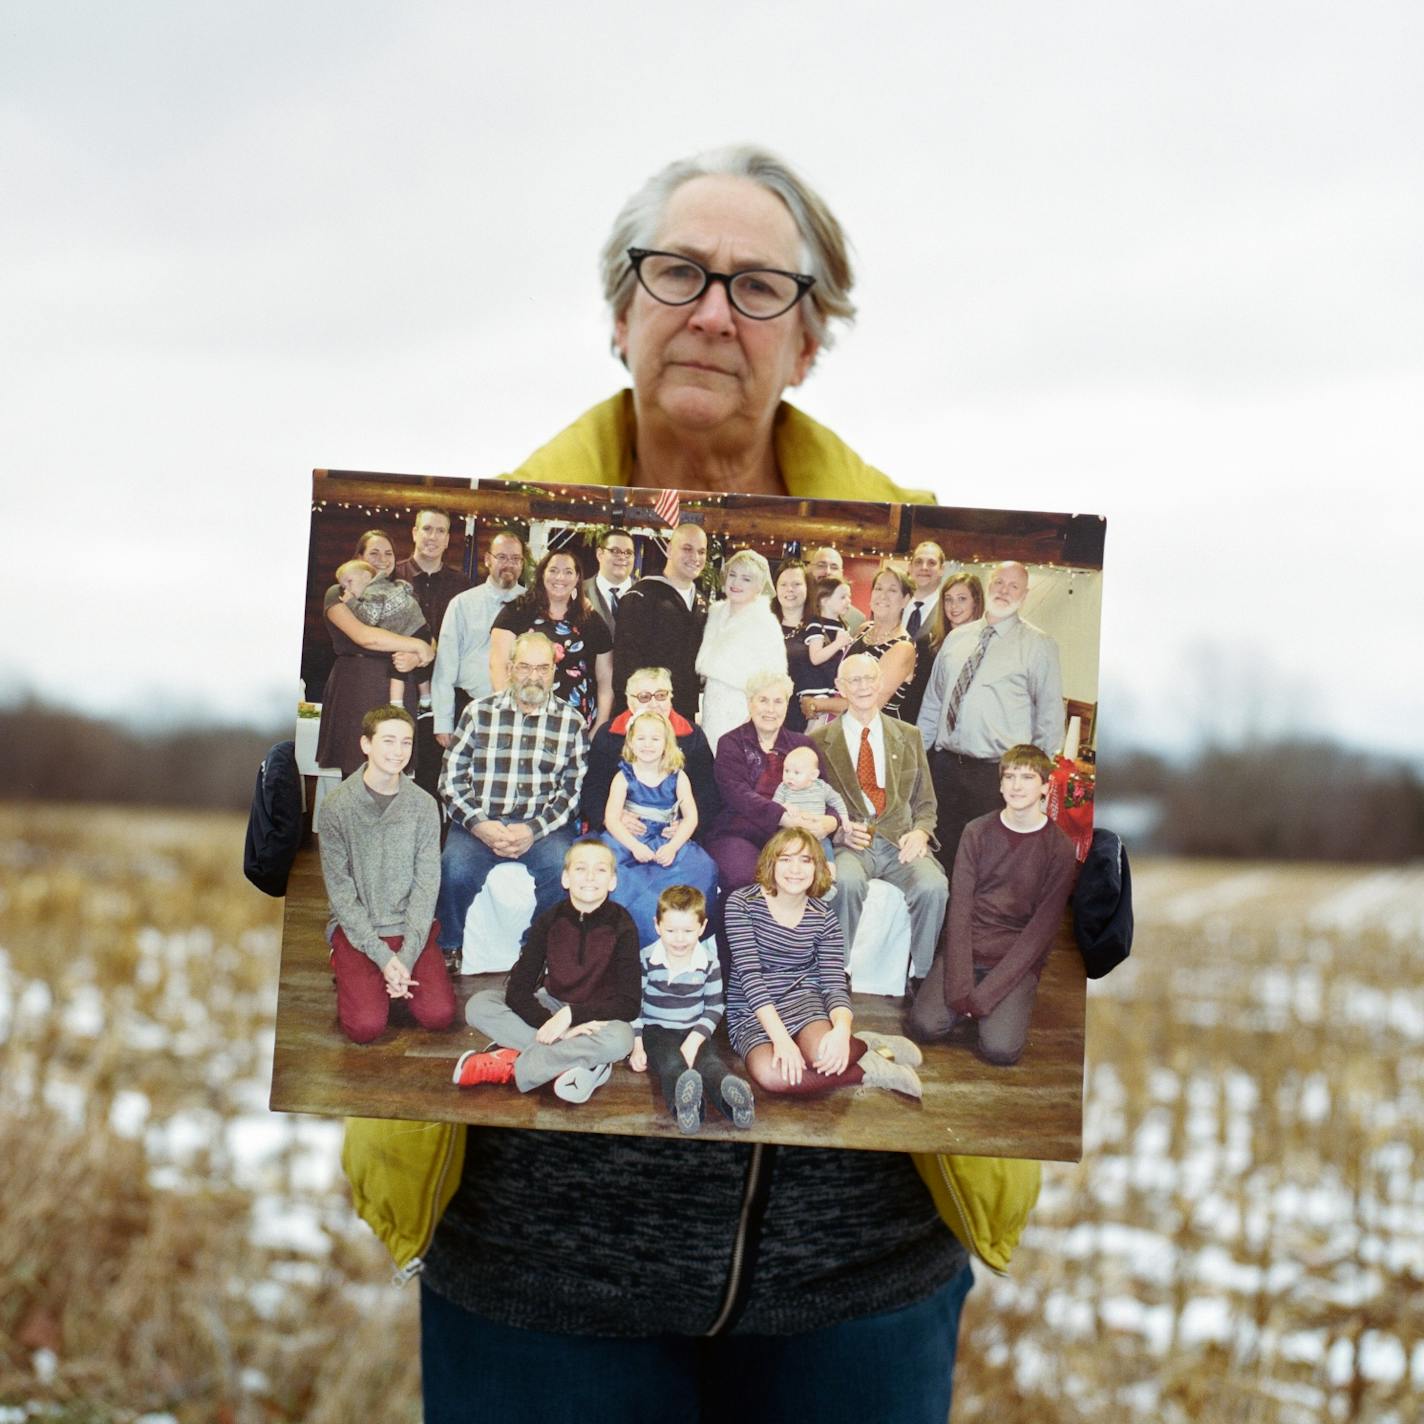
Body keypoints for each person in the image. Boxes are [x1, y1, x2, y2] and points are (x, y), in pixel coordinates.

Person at [349, 148, 1025, 1424]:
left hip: (856, 1275)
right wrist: (339, 805)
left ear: (809, 339)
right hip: (543, 1280)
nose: (714, 310)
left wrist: (1060, 879)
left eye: (759, 285)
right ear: (620, 311)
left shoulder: (918, 567)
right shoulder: (508, 552)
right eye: (678, 273)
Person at [907, 745, 1078, 1066]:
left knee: (1000, 1050)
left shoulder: (1060, 849)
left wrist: (986, 996)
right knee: (924, 1026)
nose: (1016, 786)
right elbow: (959, 912)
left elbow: (1040, 933)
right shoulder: (977, 831)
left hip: (1014, 960)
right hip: (968, 950)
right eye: (1009, 777)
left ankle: (994, 1006)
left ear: (1045, 786)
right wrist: (960, 986)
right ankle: (968, 1006)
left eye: (1027, 778)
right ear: (999, 785)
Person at [722, 828, 922, 1099]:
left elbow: (834, 984)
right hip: (752, 1010)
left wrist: (841, 1030)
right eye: (785, 859)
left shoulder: (824, 916)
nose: (795, 869)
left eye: (806, 860)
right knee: (773, 1077)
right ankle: (870, 1067)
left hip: (803, 1000)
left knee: (823, 1054)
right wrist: (781, 1039)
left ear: (817, 868)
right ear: (771, 863)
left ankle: (859, 1043)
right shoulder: (742, 903)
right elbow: (750, 977)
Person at [434, 631, 586, 961]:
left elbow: (572, 794)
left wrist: (532, 829)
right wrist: (480, 825)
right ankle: (448, 946)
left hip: (541, 828)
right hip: (479, 822)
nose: (534, 676)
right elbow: (450, 781)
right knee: (453, 870)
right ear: (509, 668)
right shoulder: (477, 713)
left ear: (553, 673)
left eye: (543, 668)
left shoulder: (571, 722)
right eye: (525, 667)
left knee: (564, 870)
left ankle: (535, 949)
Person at [456, 839, 637, 1104]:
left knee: (622, 1039)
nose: (589, 877)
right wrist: (555, 1027)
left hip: (597, 1019)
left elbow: (629, 1004)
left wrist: (572, 1015)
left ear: (612, 881)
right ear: (565, 878)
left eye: (600, 870)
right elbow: (518, 988)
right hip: (551, 1006)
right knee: (478, 1004)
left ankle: (512, 1065)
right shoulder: (549, 920)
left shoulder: (623, 925)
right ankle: (577, 1061)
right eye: (580, 868)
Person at [316, 704, 455, 1043]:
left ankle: (392, 982)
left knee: (440, 1016)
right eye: (388, 741)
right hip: (358, 930)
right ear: (366, 744)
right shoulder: (337, 806)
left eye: (406, 743)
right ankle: (356, 970)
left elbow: (426, 887)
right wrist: (381, 956)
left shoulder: (423, 805)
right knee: (364, 1029)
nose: (398, 751)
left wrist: (404, 957)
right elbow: (342, 894)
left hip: (410, 928)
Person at [809, 653, 948, 989]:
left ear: (881, 682)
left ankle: (922, 975)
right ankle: (835, 972)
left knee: (934, 887)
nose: (862, 686)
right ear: (840, 687)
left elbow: (926, 801)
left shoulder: (908, 735)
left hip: (900, 840)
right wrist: (838, 833)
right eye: (853, 680)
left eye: (869, 678)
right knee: (847, 884)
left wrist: (921, 831)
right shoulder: (819, 742)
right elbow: (815, 803)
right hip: (853, 843)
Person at [917, 560, 1065, 874]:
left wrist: (1033, 781)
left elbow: (1049, 719)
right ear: (989, 584)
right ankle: (940, 921)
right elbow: (932, 704)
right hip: (944, 770)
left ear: (1024, 594)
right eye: (999, 582)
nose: (1004, 590)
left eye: (1014, 586)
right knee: (938, 858)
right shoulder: (957, 638)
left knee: (986, 865)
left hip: (994, 776)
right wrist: (918, 763)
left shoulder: (1038, 646)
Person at [702, 671, 839, 908]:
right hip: (738, 832)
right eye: (763, 700)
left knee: (808, 879)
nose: (770, 709)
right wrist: (784, 817)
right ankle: (738, 945)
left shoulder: (803, 744)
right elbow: (738, 794)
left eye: (778, 701)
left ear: (787, 705)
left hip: (791, 837)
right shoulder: (731, 743)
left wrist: (831, 822)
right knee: (744, 881)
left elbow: (825, 793)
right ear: (750, 703)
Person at [629, 884, 754, 1134]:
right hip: (657, 1030)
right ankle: (687, 1108)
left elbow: (715, 1005)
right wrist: (638, 1045)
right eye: (671, 930)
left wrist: (695, 1040)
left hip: (694, 1030)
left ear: (702, 927)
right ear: (657, 925)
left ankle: (735, 1102)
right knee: (671, 1064)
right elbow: (635, 1005)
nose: (679, 938)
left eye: (688, 930)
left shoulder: (708, 962)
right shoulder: (645, 959)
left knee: (710, 1064)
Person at [315, 529, 434, 778]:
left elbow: (427, 638)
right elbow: (365, 636)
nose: (383, 558)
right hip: (358, 687)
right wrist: (415, 646)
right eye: (374, 552)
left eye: (388, 553)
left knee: (394, 771)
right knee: (356, 771)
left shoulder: (398, 594)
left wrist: (418, 654)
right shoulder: (339, 593)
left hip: (398, 688)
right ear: (359, 557)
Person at [599, 708, 719, 947]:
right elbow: (611, 818)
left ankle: (681, 938)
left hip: (667, 838)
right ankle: (629, 940)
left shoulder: (678, 776)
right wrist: (633, 846)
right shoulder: (623, 777)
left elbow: (691, 818)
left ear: (667, 743)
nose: (648, 744)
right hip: (630, 839)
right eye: (641, 738)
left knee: (704, 868)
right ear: (630, 743)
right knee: (614, 873)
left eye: (655, 739)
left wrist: (674, 847)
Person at [579, 665, 720, 837]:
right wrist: (611, 819)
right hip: (619, 831)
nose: (654, 704)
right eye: (644, 697)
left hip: (675, 832)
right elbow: (593, 788)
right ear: (630, 702)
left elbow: (707, 792)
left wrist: (686, 826)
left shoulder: (692, 735)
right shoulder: (608, 735)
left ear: (671, 697)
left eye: (661, 695)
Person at [393, 507, 473, 795]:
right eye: (427, 528)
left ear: (448, 539)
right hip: (396, 688)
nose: (433, 536)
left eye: (440, 531)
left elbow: (463, 642)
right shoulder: (393, 575)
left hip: (439, 696)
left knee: (429, 781)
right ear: (415, 532)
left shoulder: (462, 585)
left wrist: (426, 653)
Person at [490, 547, 613, 730]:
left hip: (576, 723)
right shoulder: (516, 611)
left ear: (578, 578)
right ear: (542, 574)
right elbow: (498, 665)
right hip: (523, 717)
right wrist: (510, 714)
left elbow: (606, 679)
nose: (560, 578)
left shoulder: (591, 620)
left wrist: (599, 727)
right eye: (553, 570)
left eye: (568, 572)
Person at [431, 529, 526, 749]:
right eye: (502, 557)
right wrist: (443, 722)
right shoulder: (463, 604)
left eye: (515, 559)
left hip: (519, 711)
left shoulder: (533, 605)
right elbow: (445, 665)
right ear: (487, 560)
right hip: (469, 707)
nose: (509, 564)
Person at [611, 522, 709, 723]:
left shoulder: (702, 603)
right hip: (646, 712)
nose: (696, 558)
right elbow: (626, 666)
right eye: (687, 549)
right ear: (669, 549)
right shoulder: (641, 597)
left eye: (701, 551)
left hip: (685, 714)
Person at [694, 548, 788, 753]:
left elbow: (776, 676)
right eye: (732, 575)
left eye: (746, 579)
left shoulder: (765, 623)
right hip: (712, 703)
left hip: (743, 709)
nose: (736, 583)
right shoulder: (716, 612)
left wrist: (758, 717)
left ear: (759, 586)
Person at [333, 558, 432, 707]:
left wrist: (352, 603)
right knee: (408, 666)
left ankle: (396, 703)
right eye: (343, 585)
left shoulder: (372, 593)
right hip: (417, 628)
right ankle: (426, 697)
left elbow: (370, 618)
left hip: (408, 635)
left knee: (398, 666)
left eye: (349, 582)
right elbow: (366, 637)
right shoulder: (391, 586)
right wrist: (420, 647)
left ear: (366, 576)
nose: (346, 589)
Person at [899, 569, 985, 728]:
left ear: (976, 601)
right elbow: (914, 699)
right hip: (926, 732)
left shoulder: (986, 646)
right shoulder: (927, 644)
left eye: (962, 599)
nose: (954, 606)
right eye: (948, 599)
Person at [772, 743, 849, 878]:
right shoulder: (783, 788)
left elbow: (837, 800)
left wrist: (845, 818)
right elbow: (773, 808)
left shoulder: (821, 787)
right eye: (786, 771)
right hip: (790, 835)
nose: (789, 776)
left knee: (826, 852)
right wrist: (786, 806)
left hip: (817, 834)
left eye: (796, 773)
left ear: (813, 775)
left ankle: (830, 881)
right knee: (780, 852)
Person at [797, 576, 855, 728]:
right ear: (824, 600)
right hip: (817, 687)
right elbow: (815, 657)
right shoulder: (816, 624)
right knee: (816, 732)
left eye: (849, 597)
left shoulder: (842, 626)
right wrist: (838, 643)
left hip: (832, 687)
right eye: (842, 597)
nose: (848, 601)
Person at [770, 558, 814, 732]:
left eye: (796, 584)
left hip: (804, 718)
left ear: (807, 588)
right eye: (783, 584)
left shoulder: (818, 629)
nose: (790, 589)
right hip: (768, 714)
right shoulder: (764, 625)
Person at [583, 528, 637, 636]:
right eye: (615, 551)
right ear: (600, 554)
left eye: (628, 552)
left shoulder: (646, 594)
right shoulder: (579, 593)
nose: (622, 557)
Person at [807, 546, 866, 633]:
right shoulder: (794, 606)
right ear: (810, 569)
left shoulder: (856, 619)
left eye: (834, 567)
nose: (828, 572)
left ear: (841, 573)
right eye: (821, 565)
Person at [903, 542, 946, 641]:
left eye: (931, 563)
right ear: (910, 567)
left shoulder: (947, 611)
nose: (924, 567)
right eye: (918, 562)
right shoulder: (895, 604)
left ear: (942, 569)